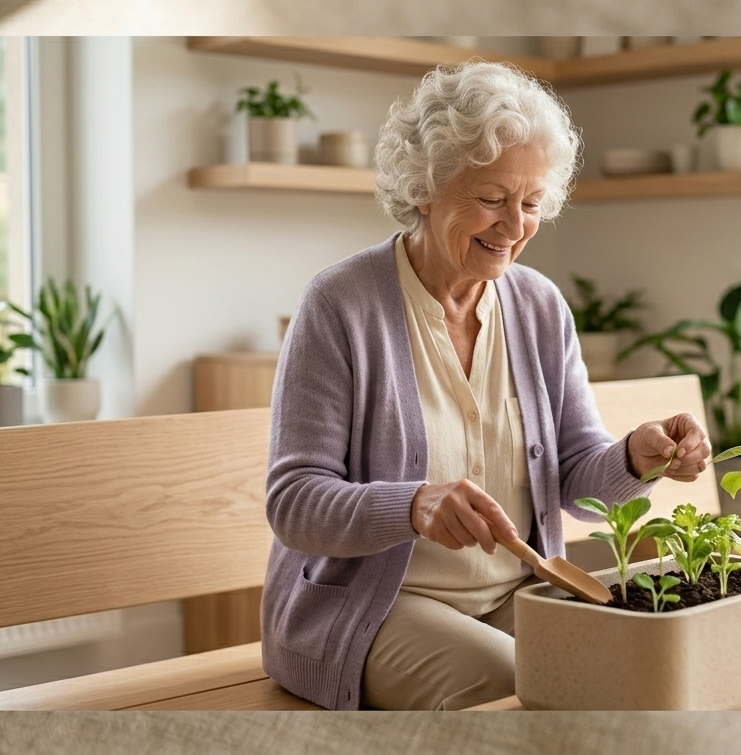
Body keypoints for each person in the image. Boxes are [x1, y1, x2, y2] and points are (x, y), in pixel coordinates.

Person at [261, 60, 711, 711]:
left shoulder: (539, 307)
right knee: (518, 689)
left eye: (530, 204)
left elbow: (581, 486)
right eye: (491, 198)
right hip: (378, 609)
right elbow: (295, 503)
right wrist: (412, 505)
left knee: (638, 669)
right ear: (425, 187)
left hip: (517, 595)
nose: (514, 226)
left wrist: (636, 457)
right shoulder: (340, 304)